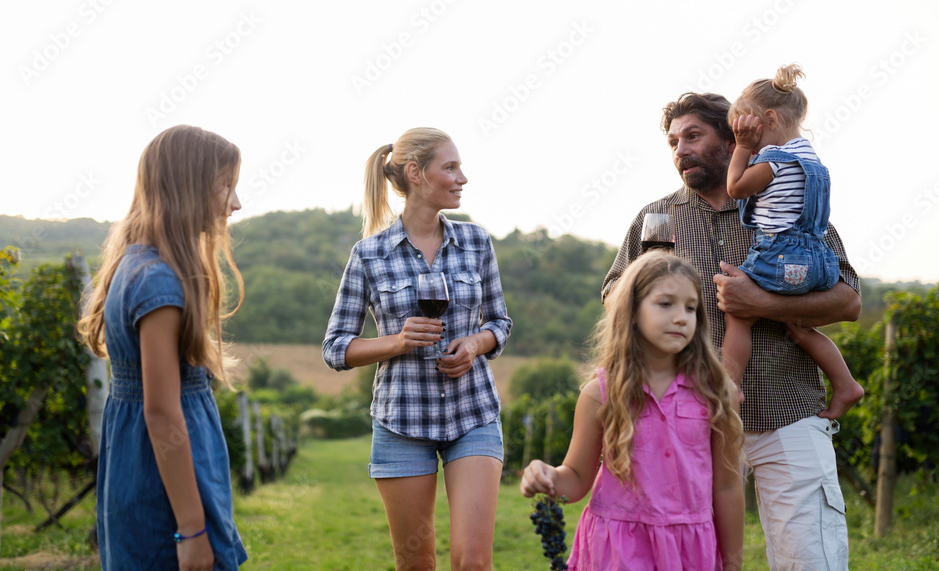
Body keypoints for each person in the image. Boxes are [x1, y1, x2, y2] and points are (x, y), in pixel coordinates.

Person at [602, 92, 861, 570]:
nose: (681, 149)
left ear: (731, 137)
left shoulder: (791, 201)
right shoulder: (655, 218)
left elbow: (848, 299)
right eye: (673, 141)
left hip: (791, 411)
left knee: (811, 561)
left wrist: (763, 302)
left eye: (693, 136)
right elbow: (614, 294)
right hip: (690, 418)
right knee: (693, 559)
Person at [323, 128, 512, 571]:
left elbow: (500, 323)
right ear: (416, 173)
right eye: (450, 167)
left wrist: (475, 343)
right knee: (415, 565)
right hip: (402, 423)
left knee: (473, 562)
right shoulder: (369, 255)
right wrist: (397, 341)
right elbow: (335, 348)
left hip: (473, 415)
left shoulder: (477, 242)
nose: (461, 177)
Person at [78, 125, 248, 570]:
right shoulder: (159, 282)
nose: (235, 202)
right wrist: (191, 529)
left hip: (140, 471)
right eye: (225, 186)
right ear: (189, 189)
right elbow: (161, 411)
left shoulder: (133, 265)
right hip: (167, 486)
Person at [522, 251, 745, 570]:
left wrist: (733, 565)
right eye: (665, 304)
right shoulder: (600, 394)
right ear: (632, 311)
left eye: (690, 307)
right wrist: (547, 477)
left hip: (691, 552)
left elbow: (726, 486)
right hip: (617, 552)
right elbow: (575, 478)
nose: (681, 317)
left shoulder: (714, 392)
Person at [722, 64, 863, 420]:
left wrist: (742, 149)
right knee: (800, 325)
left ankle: (729, 385)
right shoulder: (812, 159)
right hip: (817, 260)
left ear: (768, 119)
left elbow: (736, 188)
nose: (745, 137)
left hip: (781, 255)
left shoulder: (774, 160)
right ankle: (845, 383)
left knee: (739, 315)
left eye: (747, 127)